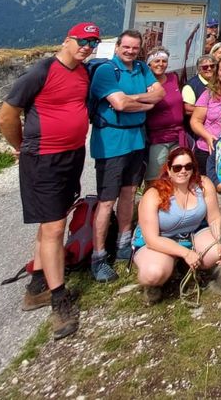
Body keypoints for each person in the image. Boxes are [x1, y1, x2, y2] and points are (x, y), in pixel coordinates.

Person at [0, 21, 99, 339]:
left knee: (51, 221)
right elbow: (6, 115)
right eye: (82, 41)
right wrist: (20, 147)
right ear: (67, 40)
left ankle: (37, 285)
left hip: (71, 156)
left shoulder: (83, 72)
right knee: (55, 228)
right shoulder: (41, 71)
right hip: (43, 160)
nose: (87, 47)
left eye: (93, 43)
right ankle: (59, 302)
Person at [87, 29, 163, 282]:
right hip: (111, 142)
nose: (130, 51)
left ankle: (123, 243)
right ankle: (98, 256)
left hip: (135, 139)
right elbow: (119, 105)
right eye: (126, 47)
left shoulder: (141, 68)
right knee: (107, 200)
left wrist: (133, 98)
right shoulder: (107, 71)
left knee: (130, 193)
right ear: (118, 46)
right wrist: (145, 103)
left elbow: (159, 94)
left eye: (134, 48)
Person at [131, 147, 221, 304]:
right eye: (177, 167)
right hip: (160, 239)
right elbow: (152, 239)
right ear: (168, 169)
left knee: (217, 252)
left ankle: (184, 266)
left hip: (192, 234)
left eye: (188, 166)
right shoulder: (153, 194)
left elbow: (214, 219)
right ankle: (155, 283)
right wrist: (185, 253)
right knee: (153, 273)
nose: (183, 171)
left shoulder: (203, 184)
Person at [143, 48, 188, 183]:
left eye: (164, 61)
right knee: (155, 178)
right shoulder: (145, 83)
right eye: (157, 61)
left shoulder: (173, 78)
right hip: (158, 138)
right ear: (149, 64)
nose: (161, 64)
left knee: (178, 175)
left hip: (178, 135)